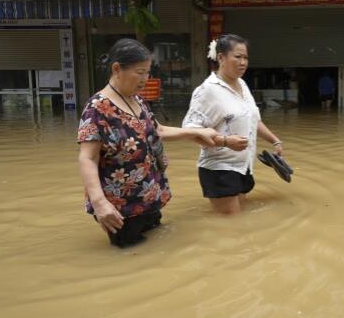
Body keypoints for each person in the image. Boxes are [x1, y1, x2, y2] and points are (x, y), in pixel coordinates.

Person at [77, 38, 218, 247]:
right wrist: (100, 203)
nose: (145, 79)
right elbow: (87, 158)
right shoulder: (97, 109)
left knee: (154, 248)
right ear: (117, 69)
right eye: (140, 72)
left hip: (149, 196)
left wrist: (196, 133)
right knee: (129, 256)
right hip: (120, 207)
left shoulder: (137, 100)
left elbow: (157, 130)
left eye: (148, 72)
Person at [182, 34, 284, 215]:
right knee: (231, 229)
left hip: (243, 166)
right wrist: (225, 141)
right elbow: (190, 130)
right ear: (220, 57)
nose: (243, 62)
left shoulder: (242, 85)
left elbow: (254, 120)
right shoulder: (207, 91)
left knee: (238, 225)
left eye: (245, 57)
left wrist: (274, 140)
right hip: (219, 169)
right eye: (237, 57)